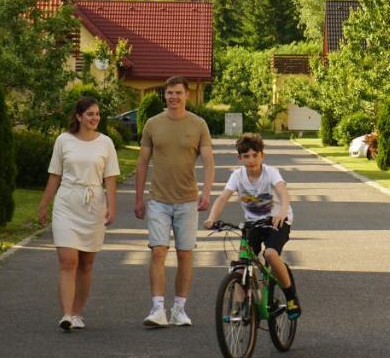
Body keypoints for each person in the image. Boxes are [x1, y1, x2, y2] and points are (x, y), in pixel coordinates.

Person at [134, 76, 214, 328]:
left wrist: (207, 192)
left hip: (187, 200)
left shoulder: (198, 124)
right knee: (158, 251)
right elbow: (142, 162)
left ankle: (179, 308)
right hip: (158, 199)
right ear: (164, 95)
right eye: (169, 93)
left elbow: (208, 160)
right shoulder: (153, 124)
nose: (173, 97)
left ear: (186, 95)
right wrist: (138, 198)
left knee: (185, 254)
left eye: (178, 93)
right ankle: (158, 308)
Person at [37, 97, 120, 332]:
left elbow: (111, 178)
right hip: (67, 202)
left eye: (97, 114)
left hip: (94, 203)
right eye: (90, 114)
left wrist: (111, 207)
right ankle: (65, 314)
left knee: (86, 264)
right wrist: (44, 205)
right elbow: (55, 175)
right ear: (79, 116)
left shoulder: (106, 143)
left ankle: (77, 312)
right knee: (68, 261)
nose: (95, 118)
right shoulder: (63, 140)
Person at [204, 133, 300, 319]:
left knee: (270, 254)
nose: (251, 160)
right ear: (239, 158)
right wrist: (212, 218)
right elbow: (223, 197)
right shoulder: (237, 176)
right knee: (241, 264)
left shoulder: (271, 172)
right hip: (254, 224)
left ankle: (290, 296)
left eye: (255, 155)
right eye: (246, 156)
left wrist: (282, 212)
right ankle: (239, 306)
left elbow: (282, 193)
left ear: (262, 155)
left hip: (276, 222)